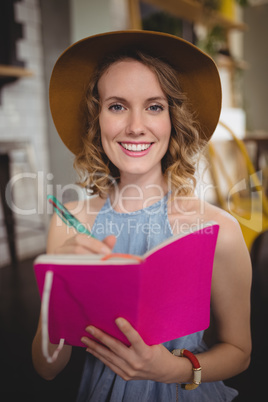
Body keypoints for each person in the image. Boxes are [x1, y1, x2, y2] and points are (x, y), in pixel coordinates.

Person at [32, 30, 252, 401]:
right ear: (97, 118)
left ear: (173, 120)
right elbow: (47, 368)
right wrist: (57, 297)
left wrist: (174, 369)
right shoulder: (69, 224)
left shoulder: (219, 230)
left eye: (154, 106)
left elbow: (240, 353)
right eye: (117, 106)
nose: (135, 126)